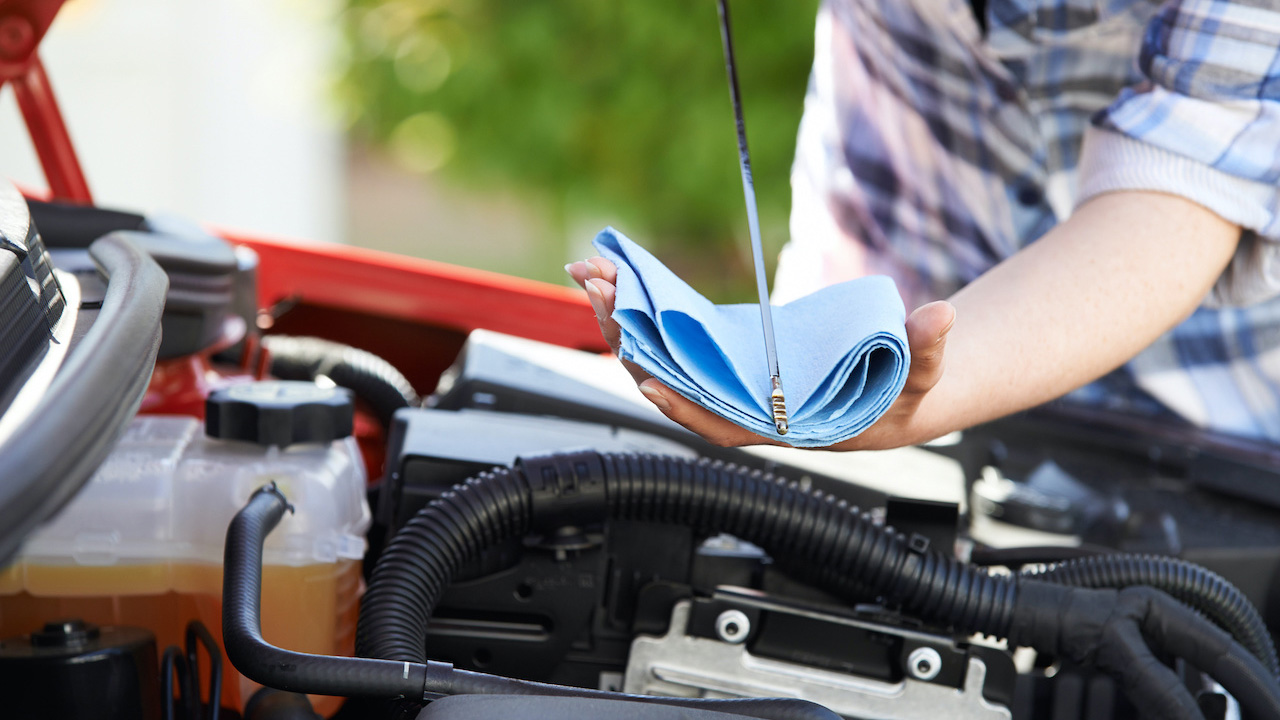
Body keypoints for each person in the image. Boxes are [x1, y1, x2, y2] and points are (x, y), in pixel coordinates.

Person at [568, 0, 1280, 451]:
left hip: (1214, 426)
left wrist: (890, 400)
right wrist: (826, 387)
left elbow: (1191, 175)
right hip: (858, 304)